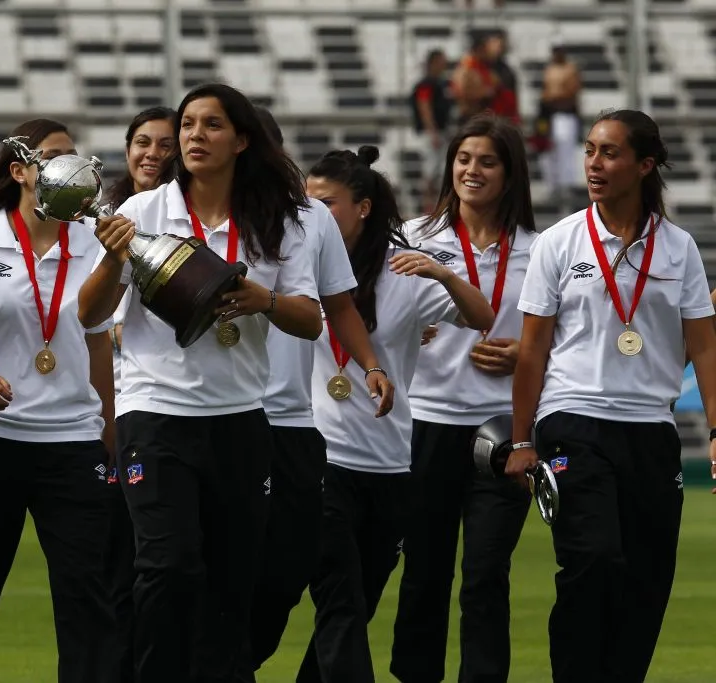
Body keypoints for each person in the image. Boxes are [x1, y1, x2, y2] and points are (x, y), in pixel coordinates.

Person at [78, 82, 322, 682]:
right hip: (155, 414)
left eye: (211, 126)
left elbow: (311, 320)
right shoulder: (141, 212)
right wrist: (113, 259)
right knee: (168, 566)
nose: (193, 137)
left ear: (241, 140)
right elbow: (87, 314)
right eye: (188, 125)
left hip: (241, 417)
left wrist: (261, 298)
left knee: (232, 579)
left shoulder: (278, 220)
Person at [507, 110, 716, 683]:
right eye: (591, 151)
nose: (594, 164)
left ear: (645, 165)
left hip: (651, 428)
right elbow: (531, 352)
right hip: (573, 418)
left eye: (610, 153)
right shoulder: (557, 242)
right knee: (592, 558)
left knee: (648, 581)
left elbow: (703, 345)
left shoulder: (678, 248)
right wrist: (522, 438)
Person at [0, 118, 121, 683]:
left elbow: (95, 332)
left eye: (75, 156)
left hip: (71, 442)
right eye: (54, 157)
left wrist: (106, 428)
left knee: (89, 603)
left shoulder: (94, 240)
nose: (72, 168)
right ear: (19, 171)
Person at [297, 146, 495, 683]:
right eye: (307, 202)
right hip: (322, 459)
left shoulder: (403, 270)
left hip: (389, 463)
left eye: (327, 203)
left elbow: (483, 316)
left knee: (356, 605)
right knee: (338, 597)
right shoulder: (295, 262)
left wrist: (443, 275)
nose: (313, 214)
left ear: (363, 208)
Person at [248, 108, 396, 676]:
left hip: (295, 426)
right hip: (222, 417)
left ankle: (236, 658)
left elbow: (337, 305)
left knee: (288, 578)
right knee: (202, 569)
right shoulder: (184, 216)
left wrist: (370, 363)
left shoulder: (310, 219)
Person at [391, 114, 537, 683]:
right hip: (426, 422)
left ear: (511, 173)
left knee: (485, 573)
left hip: (504, 429)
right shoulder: (414, 237)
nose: (472, 171)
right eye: (463, 159)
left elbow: (559, 336)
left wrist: (525, 354)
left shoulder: (540, 248)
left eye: (488, 161)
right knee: (424, 570)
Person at [101, 104, 177, 683]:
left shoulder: (182, 221)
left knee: (161, 566)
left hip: (157, 411)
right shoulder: (103, 219)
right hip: (110, 414)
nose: (152, 154)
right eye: (142, 142)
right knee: (118, 571)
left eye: (165, 144)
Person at [540, 39, 583, 203]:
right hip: (550, 114)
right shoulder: (549, 69)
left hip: (565, 113)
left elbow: (571, 91)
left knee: (566, 150)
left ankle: (567, 186)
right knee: (550, 151)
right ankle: (553, 185)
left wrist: (555, 96)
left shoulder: (570, 69)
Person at [411, 49, 453, 212]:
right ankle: (427, 207)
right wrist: (432, 131)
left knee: (440, 170)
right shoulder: (426, 84)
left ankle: (437, 206)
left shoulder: (442, 83)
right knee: (430, 170)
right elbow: (424, 105)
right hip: (432, 133)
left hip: (442, 131)